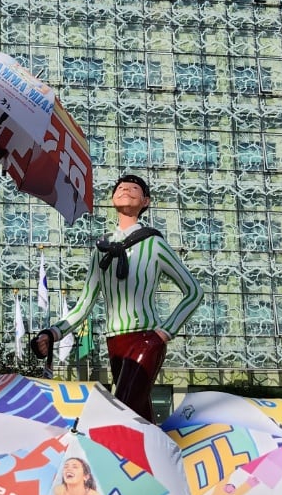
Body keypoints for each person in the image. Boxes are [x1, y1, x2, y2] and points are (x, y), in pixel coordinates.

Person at [33, 174, 202, 423]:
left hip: (146, 339)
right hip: (115, 344)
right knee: (139, 415)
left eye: (135, 188)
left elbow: (194, 291)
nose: (127, 190)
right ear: (112, 199)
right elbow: (84, 305)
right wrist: (52, 333)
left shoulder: (154, 243)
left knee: (120, 409)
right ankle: (157, 458)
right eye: (121, 187)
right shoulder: (101, 249)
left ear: (146, 201)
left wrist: (163, 333)